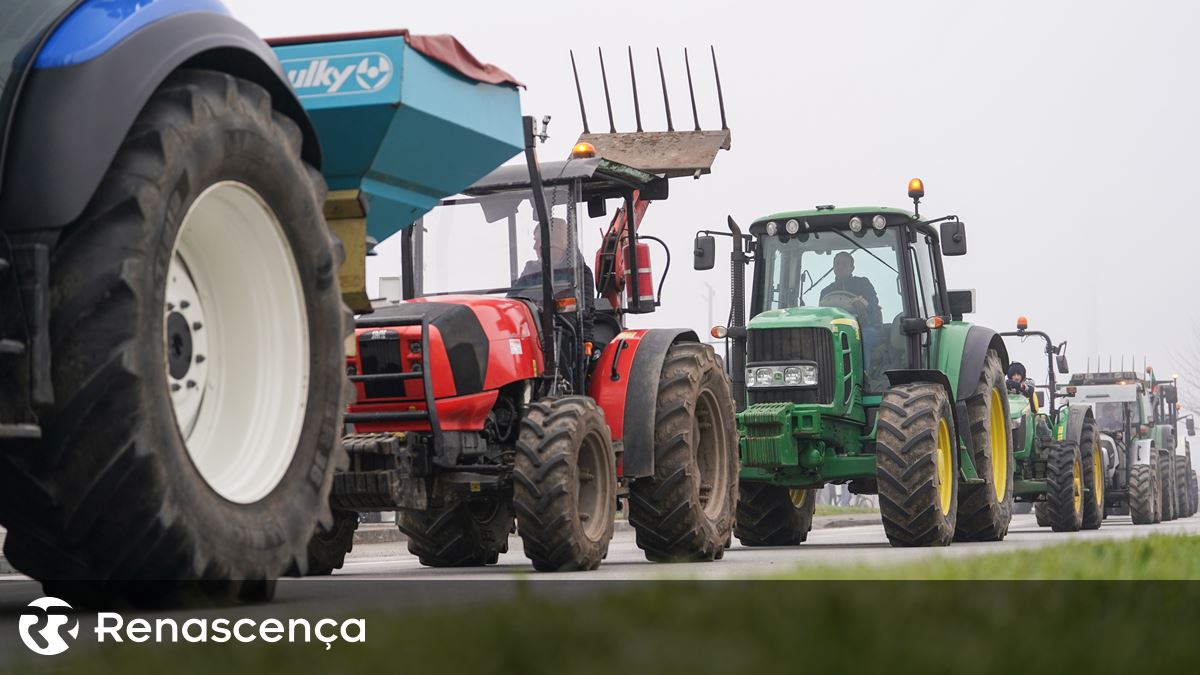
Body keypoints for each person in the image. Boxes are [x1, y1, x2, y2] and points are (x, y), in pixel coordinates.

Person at [509, 217, 595, 341]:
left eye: (538, 241)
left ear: (553, 243)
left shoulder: (580, 274)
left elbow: (575, 315)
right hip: (532, 332)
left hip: (566, 340)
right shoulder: (530, 271)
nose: (534, 247)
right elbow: (512, 300)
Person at [820, 252, 882, 326]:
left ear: (852, 268)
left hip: (864, 327)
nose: (840, 266)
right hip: (834, 327)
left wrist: (863, 305)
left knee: (869, 334)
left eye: (844, 263)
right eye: (837, 263)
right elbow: (822, 314)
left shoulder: (863, 283)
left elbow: (873, 303)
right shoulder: (826, 292)